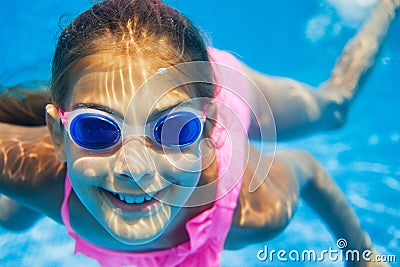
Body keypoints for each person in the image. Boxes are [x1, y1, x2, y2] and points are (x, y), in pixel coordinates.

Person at [0, 0, 398, 266]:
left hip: (225, 86)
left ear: (207, 129)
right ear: (56, 133)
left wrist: (361, 254)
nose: (134, 169)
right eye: (97, 129)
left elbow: (307, 168)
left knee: (334, 109)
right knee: (13, 218)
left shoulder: (254, 212)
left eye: (173, 130)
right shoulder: (25, 169)